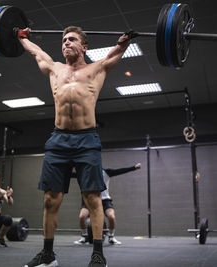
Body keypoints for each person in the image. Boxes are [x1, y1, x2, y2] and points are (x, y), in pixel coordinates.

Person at [17, 26, 132, 267]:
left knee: (92, 197)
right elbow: (36, 52)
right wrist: (21, 37)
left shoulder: (95, 69)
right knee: (50, 198)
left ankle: (98, 255)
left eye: (72, 40)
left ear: (84, 46)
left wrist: (124, 42)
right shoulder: (55, 69)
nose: (66, 43)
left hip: (86, 140)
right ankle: (48, 256)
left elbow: (114, 54)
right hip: (58, 140)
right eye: (64, 40)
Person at [74, 163, 141, 245]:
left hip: (105, 200)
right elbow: (71, 175)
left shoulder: (106, 172)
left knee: (111, 217)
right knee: (82, 216)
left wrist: (134, 167)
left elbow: (120, 171)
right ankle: (84, 237)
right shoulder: (85, 173)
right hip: (89, 200)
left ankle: (111, 237)